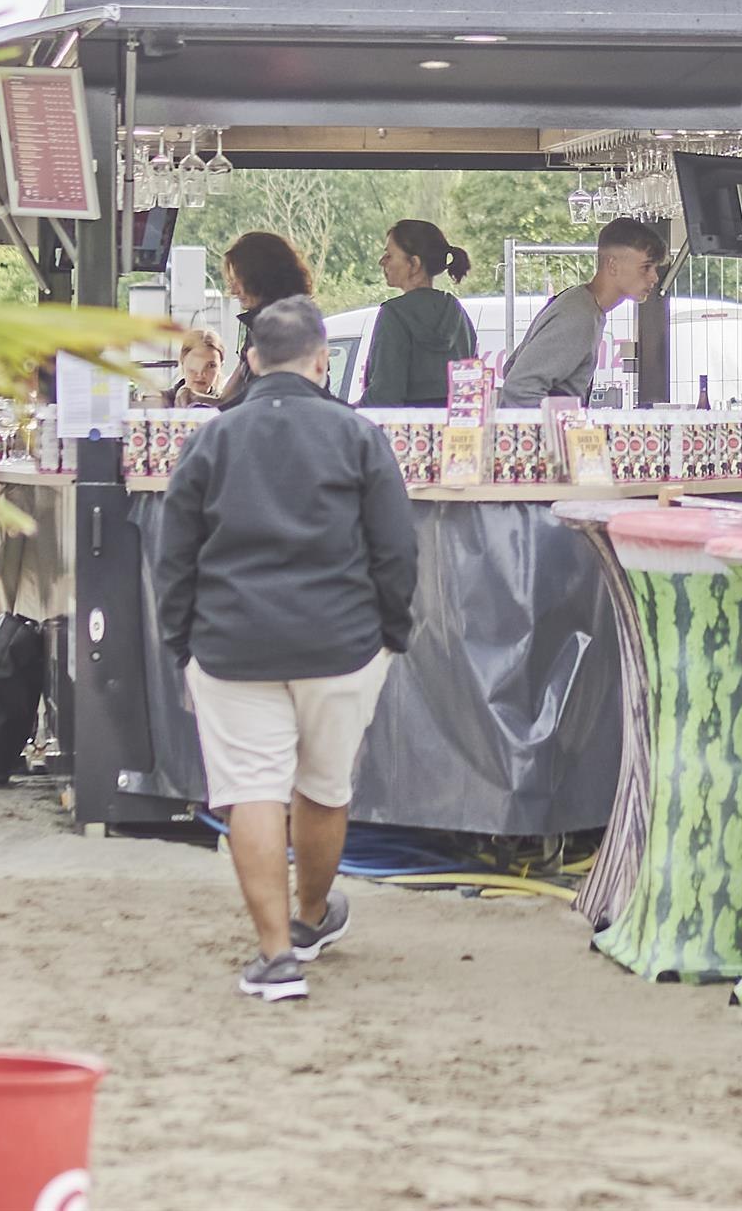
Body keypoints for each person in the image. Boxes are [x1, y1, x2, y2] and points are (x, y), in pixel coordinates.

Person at [155, 288, 419, 1004]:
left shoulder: (212, 438)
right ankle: (310, 918)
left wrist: (182, 641)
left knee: (251, 792)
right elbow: (395, 549)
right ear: (321, 361)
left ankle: (275, 957)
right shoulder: (359, 436)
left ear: (250, 359)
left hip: (232, 644)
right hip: (341, 643)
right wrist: (391, 633)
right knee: (325, 789)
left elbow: (174, 555)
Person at [496, 218, 662, 406]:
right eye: (646, 267)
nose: (654, 277)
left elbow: (513, 369)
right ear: (613, 265)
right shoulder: (579, 315)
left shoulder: (583, 306)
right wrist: (557, 422)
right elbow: (520, 387)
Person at [356, 222, 479, 409]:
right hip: (453, 425)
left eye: (389, 255)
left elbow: (384, 397)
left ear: (414, 264)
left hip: (406, 426)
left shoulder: (393, 315)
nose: (382, 261)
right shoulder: (456, 311)